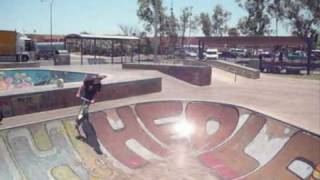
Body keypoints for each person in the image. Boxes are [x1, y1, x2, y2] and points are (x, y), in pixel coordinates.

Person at [75, 73, 106, 139]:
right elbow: (82, 86)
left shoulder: (99, 85)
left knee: (85, 108)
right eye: (98, 80)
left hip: (90, 99)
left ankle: (83, 119)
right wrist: (78, 93)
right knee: (83, 108)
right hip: (84, 97)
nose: (98, 81)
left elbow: (96, 93)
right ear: (95, 79)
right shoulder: (89, 81)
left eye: (100, 80)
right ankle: (79, 121)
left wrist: (93, 99)